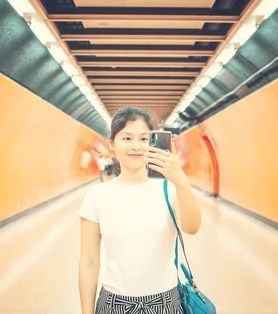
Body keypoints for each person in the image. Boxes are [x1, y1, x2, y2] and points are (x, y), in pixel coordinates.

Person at [78, 106, 202, 314]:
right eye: (127, 138)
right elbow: (89, 263)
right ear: (112, 144)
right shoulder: (97, 196)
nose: (136, 146)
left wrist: (181, 180)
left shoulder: (169, 189)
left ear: (154, 142)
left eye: (144, 139)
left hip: (166, 303)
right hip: (113, 304)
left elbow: (192, 227)